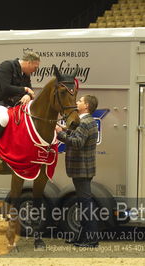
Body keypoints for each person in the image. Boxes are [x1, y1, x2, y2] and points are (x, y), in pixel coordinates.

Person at [56, 94, 99, 248]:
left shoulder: (85, 123)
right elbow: (75, 135)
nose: (77, 102)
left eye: (80, 101)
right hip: (84, 169)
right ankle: (82, 237)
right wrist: (63, 130)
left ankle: (91, 239)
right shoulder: (87, 121)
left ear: (86, 105)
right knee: (83, 204)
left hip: (81, 169)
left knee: (86, 205)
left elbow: (77, 142)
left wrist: (59, 134)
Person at [0, 51, 40, 164]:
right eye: (35, 67)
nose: (35, 70)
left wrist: (27, 95)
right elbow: (6, 88)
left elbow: (31, 91)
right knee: (4, 118)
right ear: (29, 63)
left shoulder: (26, 74)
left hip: (11, 105)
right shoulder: (7, 66)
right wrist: (25, 90)